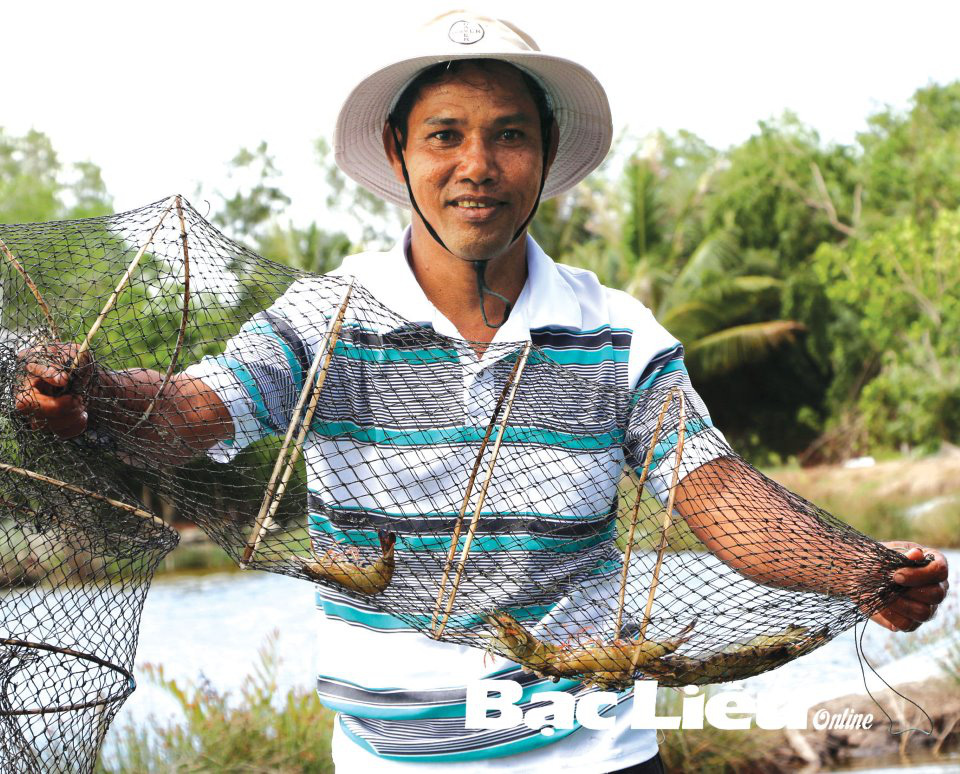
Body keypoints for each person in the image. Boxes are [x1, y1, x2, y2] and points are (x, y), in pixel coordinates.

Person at [15, 11, 949, 774]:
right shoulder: (325, 320)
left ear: (545, 156)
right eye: (445, 136)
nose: (477, 165)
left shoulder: (617, 333)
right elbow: (193, 409)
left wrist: (862, 570)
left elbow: (718, 493)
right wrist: (92, 392)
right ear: (399, 152)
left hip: (596, 759)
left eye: (509, 136)